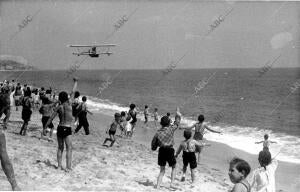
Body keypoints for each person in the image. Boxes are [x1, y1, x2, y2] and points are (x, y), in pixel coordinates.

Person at [44, 78, 78, 171]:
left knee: (60, 148)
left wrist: (45, 128)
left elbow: (51, 118)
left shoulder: (59, 107)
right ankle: (68, 167)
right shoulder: (69, 104)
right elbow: (73, 91)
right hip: (67, 128)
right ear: (66, 98)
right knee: (69, 148)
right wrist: (76, 82)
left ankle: (59, 166)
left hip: (60, 128)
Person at [151, 116, 180, 189]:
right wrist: (178, 115)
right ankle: (172, 183)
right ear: (169, 123)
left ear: (161, 123)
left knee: (162, 170)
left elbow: (153, 143)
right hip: (170, 150)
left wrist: (154, 147)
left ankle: (158, 186)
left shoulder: (158, 132)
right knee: (174, 166)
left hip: (161, 150)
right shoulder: (171, 129)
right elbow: (177, 123)